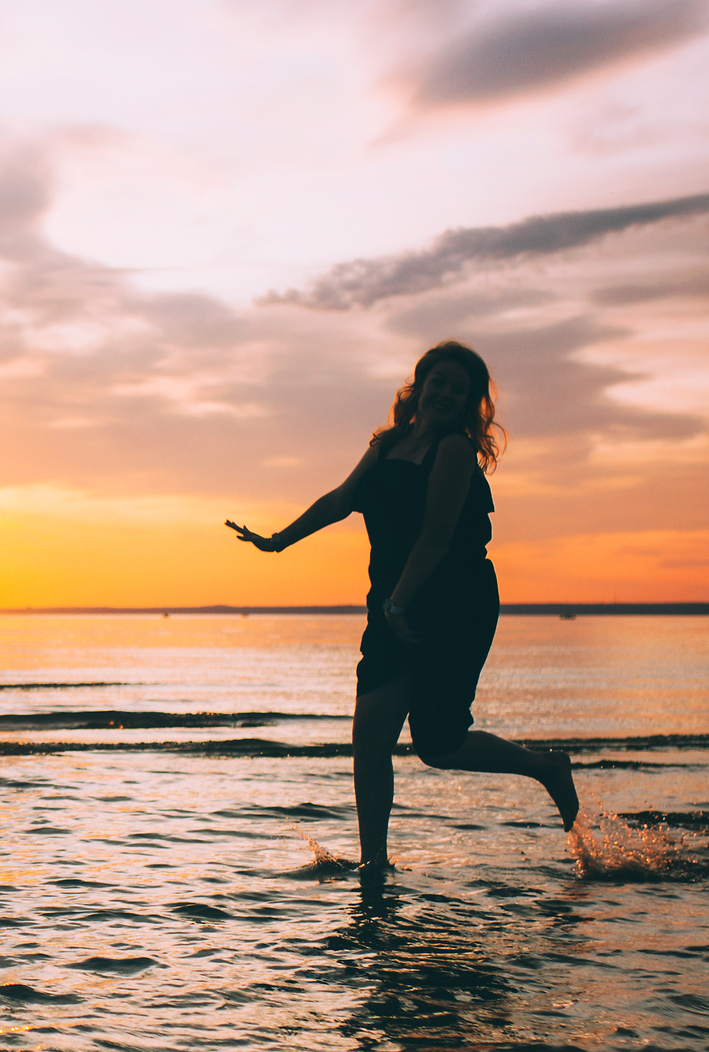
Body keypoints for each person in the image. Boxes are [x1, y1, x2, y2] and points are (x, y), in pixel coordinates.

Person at [226, 340, 580, 870]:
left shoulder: (455, 451)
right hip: (393, 600)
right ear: (420, 386)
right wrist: (278, 540)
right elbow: (341, 500)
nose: (447, 394)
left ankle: (545, 768)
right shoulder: (387, 445)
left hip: (453, 603)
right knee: (370, 736)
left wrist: (399, 604)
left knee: (437, 744)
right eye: (439, 382)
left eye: (461, 391)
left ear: (469, 404)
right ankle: (375, 865)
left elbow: (436, 538)